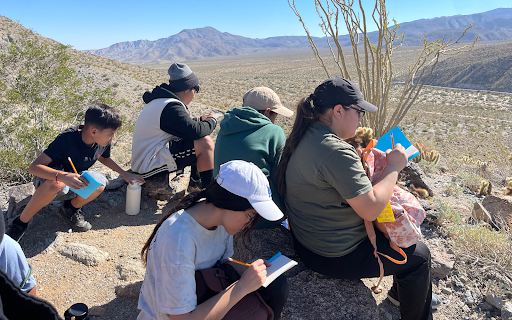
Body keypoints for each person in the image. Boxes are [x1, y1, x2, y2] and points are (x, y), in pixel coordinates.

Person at [278, 77, 434, 320]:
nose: (361, 118)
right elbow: (371, 210)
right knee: (420, 256)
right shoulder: (334, 151)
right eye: (359, 111)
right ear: (338, 111)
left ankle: (396, 296)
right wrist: (393, 166)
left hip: (307, 241)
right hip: (334, 255)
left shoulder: (305, 135)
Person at [138, 160, 290, 320]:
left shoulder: (221, 222)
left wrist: (250, 272)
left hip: (204, 293)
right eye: (250, 216)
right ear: (229, 202)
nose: (249, 224)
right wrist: (242, 286)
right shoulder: (178, 238)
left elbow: (221, 262)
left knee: (276, 285)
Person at [6, 103, 144, 241]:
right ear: (94, 131)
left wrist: (124, 173)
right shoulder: (66, 140)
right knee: (57, 184)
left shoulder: (102, 141)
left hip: (74, 180)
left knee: (100, 184)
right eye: (110, 134)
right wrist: (64, 176)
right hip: (48, 182)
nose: (113, 138)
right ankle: (19, 224)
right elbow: (34, 167)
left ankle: (69, 209)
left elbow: (103, 157)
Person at [213, 86, 293, 228]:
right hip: (260, 215)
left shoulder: (226, 127)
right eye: (275, 115)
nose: (275, 120)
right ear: (268, 112)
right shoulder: (273, 131)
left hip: (222, 207)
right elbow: (282, 177)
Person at [131, 62, 216, 188]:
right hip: (148, 163)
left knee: (194, 137)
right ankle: (209, 192)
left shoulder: (163, 102)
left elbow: (184, 127)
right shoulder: (170, 106)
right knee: (205, 143)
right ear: (187, 88)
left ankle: (196, 184)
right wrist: (212, 120)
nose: (194, 95)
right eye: (195, 90)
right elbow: (195, 131)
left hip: (147, 158)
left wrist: (200, 120)